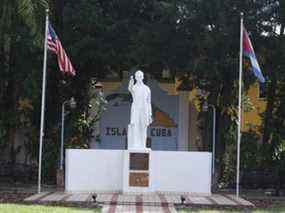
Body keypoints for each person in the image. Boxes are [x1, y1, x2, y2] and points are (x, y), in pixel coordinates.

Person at [128, 70, 152, 149]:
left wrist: (150, 114)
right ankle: (135, 144)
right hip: (136, 109)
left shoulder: (147, 89)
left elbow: (149, 102)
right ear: (135, 78)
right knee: (135, 127)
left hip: (144, 110)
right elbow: (130, 89)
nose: (139, 78)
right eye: (137, 76)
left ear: (143, 77)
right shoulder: (134, 87)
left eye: (140, 76)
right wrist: (131, 82)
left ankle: (143, 145)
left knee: (143, 128)